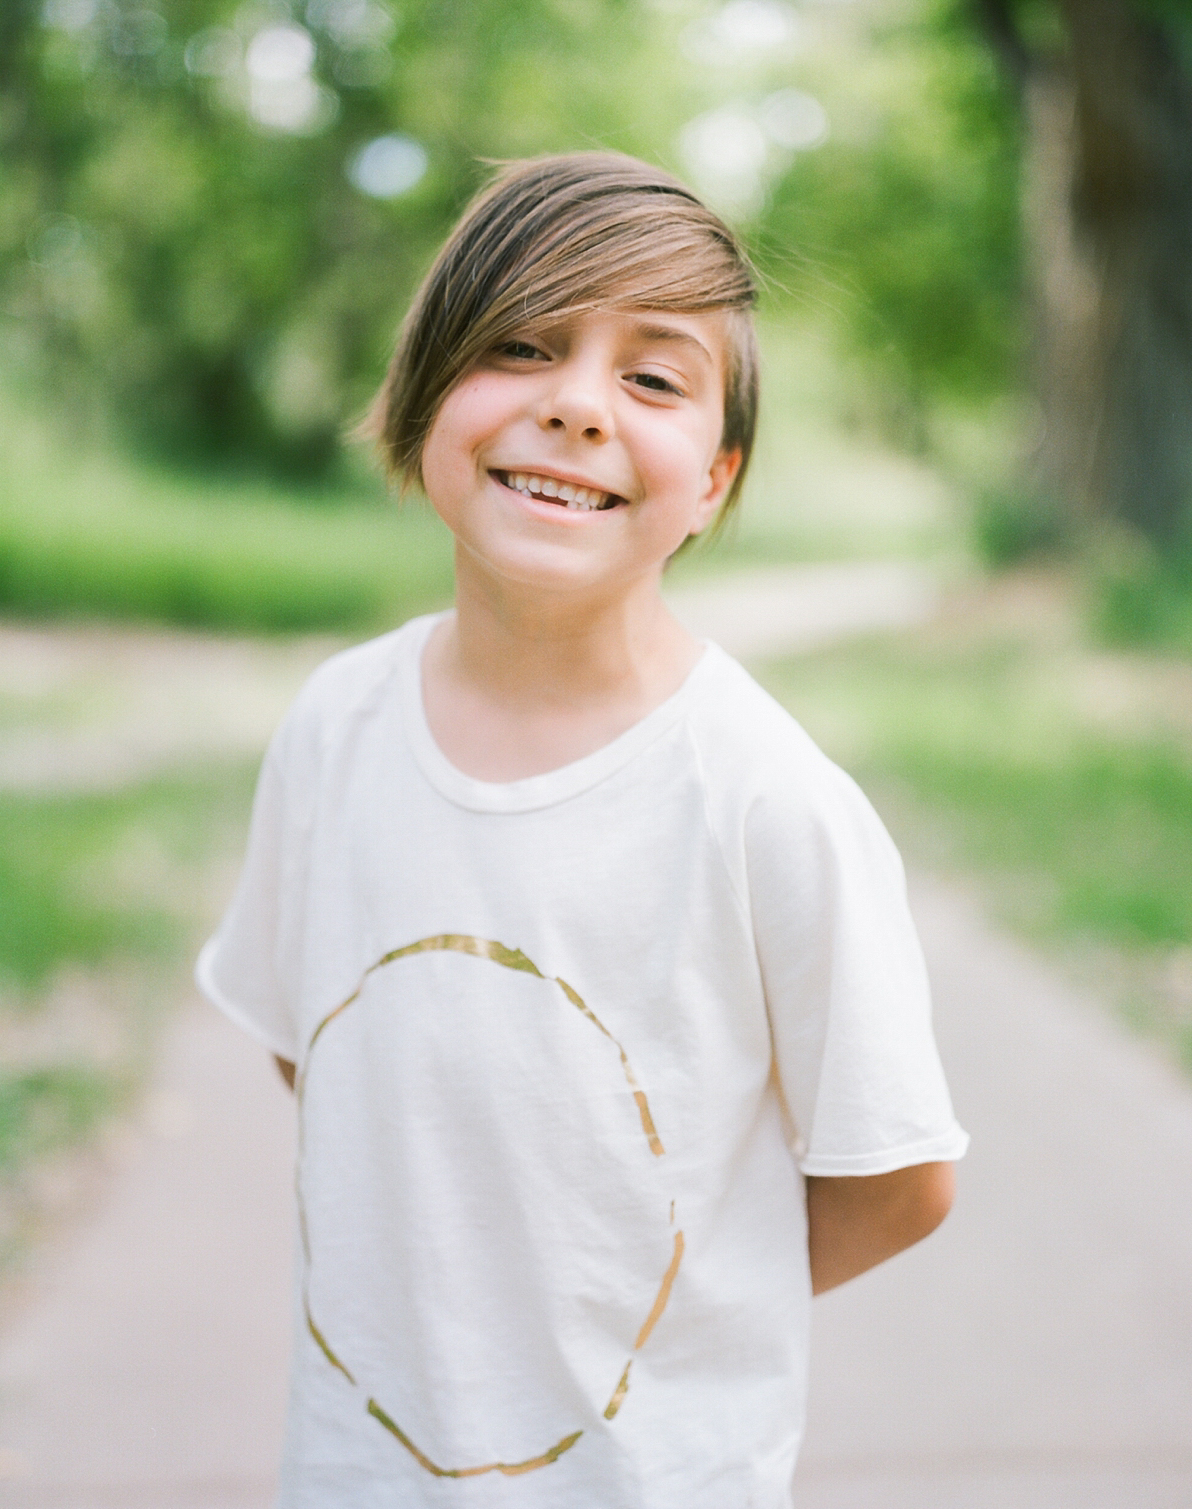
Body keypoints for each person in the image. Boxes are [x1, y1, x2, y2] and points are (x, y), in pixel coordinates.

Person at [195, 151, 967, 1508]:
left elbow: (896, 1177)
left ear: (714, 481)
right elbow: (306, 1039)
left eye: (652, 378)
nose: (574, 406)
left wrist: (656, 1302)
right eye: (521, 344)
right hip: (360, 1470)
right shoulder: (334, 729)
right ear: (425, 392)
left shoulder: (762, 802)